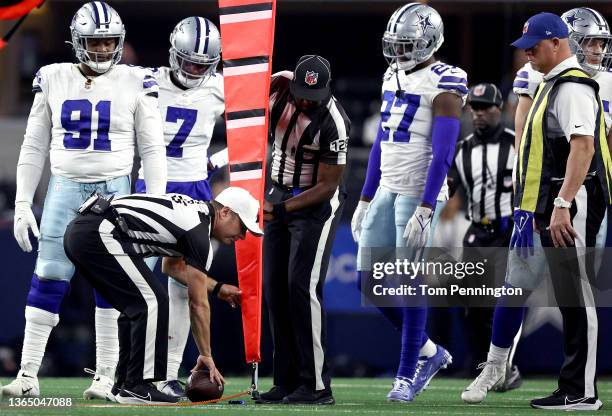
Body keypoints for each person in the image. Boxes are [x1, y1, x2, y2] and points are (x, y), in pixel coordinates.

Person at [3, 1, 167, 399]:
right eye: (94, 42)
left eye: (109, 41)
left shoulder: (135, 80)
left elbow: (152, 147)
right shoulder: (54, 77)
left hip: (115, 191)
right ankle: (27, 374)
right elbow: (33, 144)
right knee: (48, 276)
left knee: (111, 286)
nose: (102, 50)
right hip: (64, 186)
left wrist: (155, 205)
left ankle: (106, 378)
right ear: (77, 42)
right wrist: (23, 202)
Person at [462, 8, 612, 407]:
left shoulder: (573, 87)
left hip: (571, 200)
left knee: (577, 292)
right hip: (548, 201)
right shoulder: (550, 81)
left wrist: (563, 204)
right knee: (552, 291)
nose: (527, 54)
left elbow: (584, 147)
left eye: (533, 47)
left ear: (556, 43)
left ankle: (582, 391)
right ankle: (568, 385)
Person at [351, 3, 465, 402]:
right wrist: (366, 196)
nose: (399, 52)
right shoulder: (391, 74)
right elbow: (383, 138)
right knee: (369, 281)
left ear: (429, 42)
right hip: (387, 187)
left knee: (409, 283)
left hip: (419, 190)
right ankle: (430, 352)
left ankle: (405, 374)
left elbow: (444, 150)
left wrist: (427, 204)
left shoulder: (447, 80)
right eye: (395, 45)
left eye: (407, 45)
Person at [63, 187, 262, 404]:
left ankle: (123, 384)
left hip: (84, 231)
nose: (242, 236)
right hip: (99, 233)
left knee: (137, 306)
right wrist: (206, 354)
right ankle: (137, 386)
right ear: (225, 212)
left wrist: (216, 287)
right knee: (152, 302)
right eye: (242, 226)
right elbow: (198, 304)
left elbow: (172, 268)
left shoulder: (194, 216)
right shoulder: (199, 232)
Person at [131, 16, 239, 399]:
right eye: (188, 61)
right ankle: (119, 370)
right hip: (150, 185)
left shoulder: (219, 87)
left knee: (183, 285)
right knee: (134, 279)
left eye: (202, 63)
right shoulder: (146, 80)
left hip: (195, 187)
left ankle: (169, 374)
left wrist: (216, 160)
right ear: (174, 54)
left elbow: (259, 125)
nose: (195, 69)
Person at [256, 55, 349, 405]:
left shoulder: (335, 122)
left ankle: (316, 386)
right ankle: (286, 380)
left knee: (302, 287)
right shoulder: (278, 85)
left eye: (315, 94)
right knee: (275, 289)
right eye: (302, 93)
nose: (307, 100)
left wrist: (279, 208)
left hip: (314, 206)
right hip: (277, 192)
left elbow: (327, 186)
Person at [451, 83, 521, 388]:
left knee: (506, 302)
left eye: (485, 107)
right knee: (471, 306)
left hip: (509, 232)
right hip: (477, 231)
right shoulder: (463, 149)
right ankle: (486, 366)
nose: (478, 114)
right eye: (474, 108)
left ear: (500, 109)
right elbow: (448, 188)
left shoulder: (517, 144)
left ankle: (504, 367)